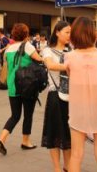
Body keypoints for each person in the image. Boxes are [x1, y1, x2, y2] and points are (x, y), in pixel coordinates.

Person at [65, 17, 97, 172]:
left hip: (78, 109)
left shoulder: (69, 56)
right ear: (92, 33)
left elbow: (71, 76)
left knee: (76, 155)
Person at [0, 23, 43, 156]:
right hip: (28, 86)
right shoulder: (28, 46)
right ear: (26, 34)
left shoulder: (8, 49)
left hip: (13, 86)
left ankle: (1, 139)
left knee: (15, 115)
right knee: (28, 115)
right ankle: (25, 141)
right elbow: (39, 60)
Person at [41, 21, 72, 172]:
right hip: (55, 96)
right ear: (57, 32)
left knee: (68, 135)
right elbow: (50, 65)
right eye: (66, 32)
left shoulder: (71, 50)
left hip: (71, 98)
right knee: (54, 135)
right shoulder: (48, 50)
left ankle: (68, 166)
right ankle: (57, 169)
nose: (69, 35)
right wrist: (69, 66)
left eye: (70, 32)